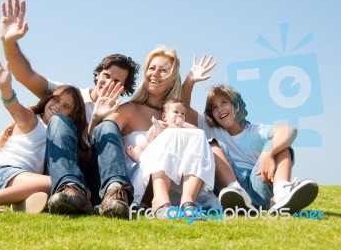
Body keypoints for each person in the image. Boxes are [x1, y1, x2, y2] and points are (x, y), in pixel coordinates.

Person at [0, 0, 140, 218]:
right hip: (64, 175)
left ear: (123, 88)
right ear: (97, 75)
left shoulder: (123, 112)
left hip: (95, 180)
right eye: (106, 75)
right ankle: (69, 190)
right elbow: (26, 75)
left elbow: (97, 155)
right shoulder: (68, 96)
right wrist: (8, 42)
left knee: (107, 127)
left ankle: (115, 193)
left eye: (116, 81)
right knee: (59, 120)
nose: (108, 83)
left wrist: (100, 120)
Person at [100, 46, 219, 217]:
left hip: (176, 183)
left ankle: (188, 202)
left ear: (172, 78)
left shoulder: (176, 115)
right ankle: (158, 201)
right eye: (151, 68)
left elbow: (193, 119)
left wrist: (190, 81)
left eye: (163, 70)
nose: (154, 73)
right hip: (139, 182)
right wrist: (97, 118)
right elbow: (101, 136)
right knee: (169, 132)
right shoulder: (128, 110)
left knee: (195, 134)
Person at [0, 54, 88, 213]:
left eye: (66, 106)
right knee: (63, 184)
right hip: (2, 173)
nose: (58, 106)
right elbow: (13, 107)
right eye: (56, 99)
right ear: (48, 99)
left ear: (72, 115)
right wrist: (5, 88)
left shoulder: (63, 135)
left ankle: (23, 203)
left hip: (25, 181)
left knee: (82, 191)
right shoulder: (33, 119)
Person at [183, 74, 318, 213]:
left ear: (236, 103)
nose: (220, 109)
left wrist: (267, 152)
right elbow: (184, 108)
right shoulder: (210, 128)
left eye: (224, 103)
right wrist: (190, 81)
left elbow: (289, 130)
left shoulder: (255, 131)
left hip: (258, 184)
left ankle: (281, 194)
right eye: (214, 107)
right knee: (211, 144)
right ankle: (236, 193)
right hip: (229, 189)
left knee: (282, 146)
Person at [126, 99, 197, 162]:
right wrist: (155, 126)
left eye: (182, 113)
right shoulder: (163, 125)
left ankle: (158, 131)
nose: (180, 115)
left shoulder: (183, 128)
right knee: (141, 146)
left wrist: (183, 123)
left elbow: (196, 131)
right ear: (164, 116)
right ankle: (136, 155)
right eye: (176, 112)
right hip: (156, 149)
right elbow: (148, 138)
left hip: (172, 150)